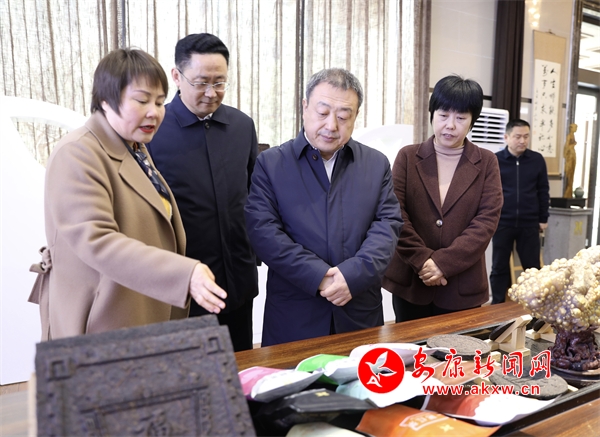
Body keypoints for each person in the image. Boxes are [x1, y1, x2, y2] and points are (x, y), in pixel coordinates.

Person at [29, 48, 227, 340]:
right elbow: (98, 240)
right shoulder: (78, 152)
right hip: (99, 320)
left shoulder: (134, 147)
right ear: (105, 100)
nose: (154, 112)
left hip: (137, 309)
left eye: (159, 101)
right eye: (142, 100)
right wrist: (184, 273)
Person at [244, 68, 403, 346]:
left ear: (355, 116)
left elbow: (387, 226)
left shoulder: (376, 164)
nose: (331, 125)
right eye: (322, 112)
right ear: (305, 107)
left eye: (343, 116)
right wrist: (319, 277)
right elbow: (264, 232)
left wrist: (352, 276)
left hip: (358, 310)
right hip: (295, 313)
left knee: (361, 374)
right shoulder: (271, 163)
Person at [147, 34, 258, 352]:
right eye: (201, 83)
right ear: (176, 76)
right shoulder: (153, 132)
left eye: (219, 82)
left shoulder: (242, 126)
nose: (211, 93)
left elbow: (254, 195)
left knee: (239, 367)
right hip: (182, 285)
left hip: (237, 279)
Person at [383, 74, 503, 322]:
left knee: (458, 347)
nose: (450, 125)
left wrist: (442, 264)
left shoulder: (487, 161)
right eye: (443, 115)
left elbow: (486, 221)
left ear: (472, 121)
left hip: (462, 285)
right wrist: (422, 260)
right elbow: (395, 213)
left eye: (460, 118)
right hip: (412, 281)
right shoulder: (407, 156)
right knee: (410, 346)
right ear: (432, 114)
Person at [489, 119, 550, 304]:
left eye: (526, 136)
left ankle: (535, 305)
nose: (522, 141)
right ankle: (497, 305)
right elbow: (489, 192)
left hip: (529, 222)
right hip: (502, 222)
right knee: (499, 267)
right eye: (517, 137)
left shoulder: (537, 160)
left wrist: (543, 218)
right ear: (506, 137)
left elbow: (543, 190)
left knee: (532, 268)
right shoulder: (495, 160)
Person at [563, 123, 577, 198]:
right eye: (575, 127)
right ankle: (567, 192)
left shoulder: (573, 136)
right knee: (569, 174)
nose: (576, 129)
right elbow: (566, 146)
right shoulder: (569, 136)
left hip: (573, 155)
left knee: (572, 174)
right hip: (570, 156)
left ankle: (569, 192)